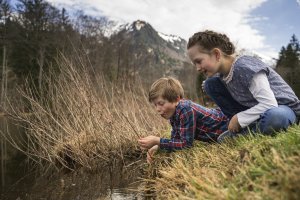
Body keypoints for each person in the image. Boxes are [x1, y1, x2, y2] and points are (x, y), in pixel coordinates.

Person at [187, 30, 300, 142]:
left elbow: (270, 104)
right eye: (194, 64)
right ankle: (245, 128)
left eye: (199, 61)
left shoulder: (245, 67)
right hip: (257, 112)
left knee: (276, 118)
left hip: (283, 108)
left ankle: (240, 135)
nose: (197, 68)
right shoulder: (223, 74)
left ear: (216, 54)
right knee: (210, 84)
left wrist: (240, 118)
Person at [138, 77, 228, 163]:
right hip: (220, 127)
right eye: (155, 105)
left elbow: (186, 144)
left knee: (224, 139)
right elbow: (176, 139)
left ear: (177, 99)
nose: (157, 109)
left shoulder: (185, 109)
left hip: (225, 124)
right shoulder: (174, 113)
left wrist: (157, 140)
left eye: (161, 103)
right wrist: (158, 146)